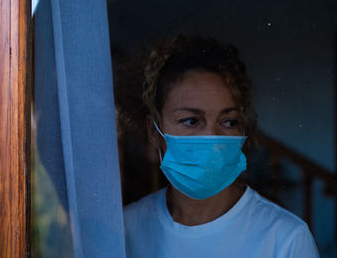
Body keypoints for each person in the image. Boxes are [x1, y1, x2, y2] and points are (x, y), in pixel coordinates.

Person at [121, 35, 319, 257]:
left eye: (228, 122)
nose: (212, 139)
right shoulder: (126, 230)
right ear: (154, 132)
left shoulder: (285, 239)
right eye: (191, 120)